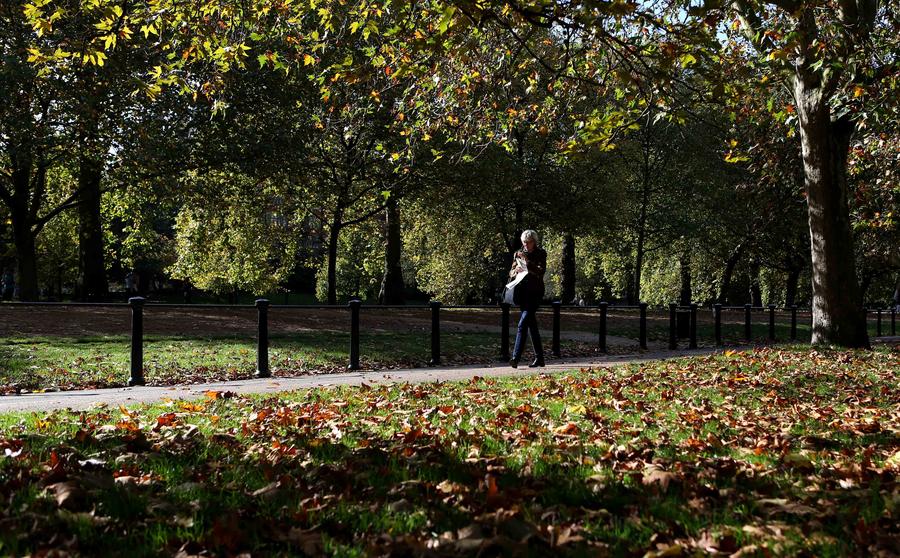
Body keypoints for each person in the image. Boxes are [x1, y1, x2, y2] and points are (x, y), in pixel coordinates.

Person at [509, 229, 546, 368]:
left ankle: (515, 358)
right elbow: (511, 271)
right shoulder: (518, 253)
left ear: (534, 242)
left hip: (535, 293)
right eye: (524, 242)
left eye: (528, 242)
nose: (525, 245)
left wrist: (527, 262)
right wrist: (515, 271)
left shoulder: (541, 253)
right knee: (531, 326)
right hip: (522, 293)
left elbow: (541, 271)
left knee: (522, 324)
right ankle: (540, 358)